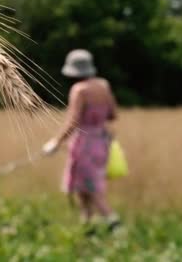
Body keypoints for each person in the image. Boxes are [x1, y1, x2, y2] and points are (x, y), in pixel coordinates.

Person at [42, 49, 120, 233]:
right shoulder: (104, 86)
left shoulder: (79, 90)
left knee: (92, 190)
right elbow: (113, 114)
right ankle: (87, 229)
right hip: (102, 142)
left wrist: (55, 142)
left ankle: (115, 225)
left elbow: (73, 121)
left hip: (84, 145)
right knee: (83, 190)